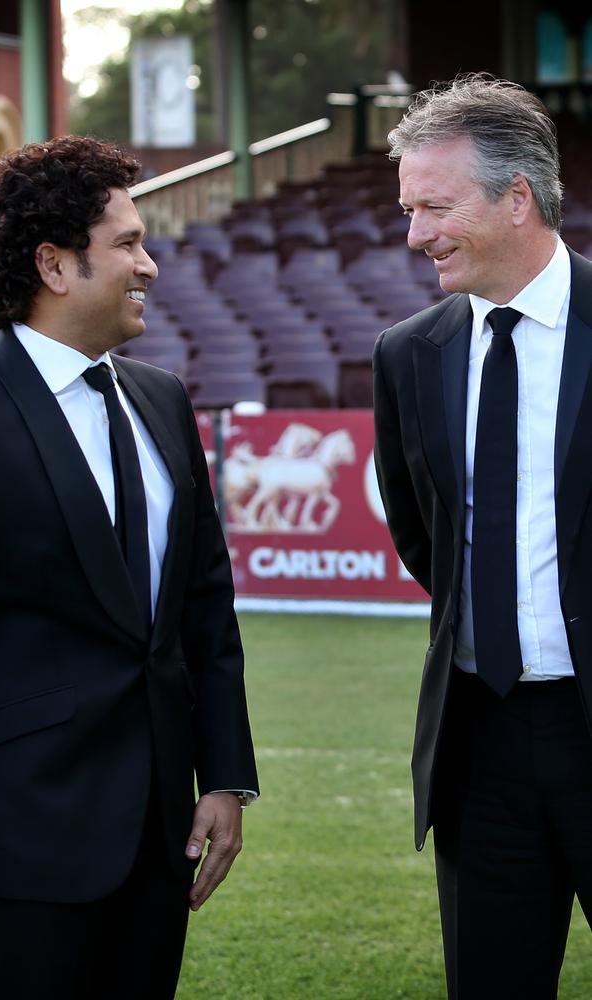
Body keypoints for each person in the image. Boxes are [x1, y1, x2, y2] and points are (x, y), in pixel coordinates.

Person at [0, 134, 258, 1000]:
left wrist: (224, 775)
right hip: (18, 840)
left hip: (160, 838)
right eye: (127, 243)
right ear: (54, 264)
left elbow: (205, 608)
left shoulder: (162, 399)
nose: (149, 266)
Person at [373, 73, 592, 999]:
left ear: (518, 198)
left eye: (434, 205)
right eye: (407, 208)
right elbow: (428, 545)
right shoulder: (406, 353)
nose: (415, 233)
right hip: (480, 743)